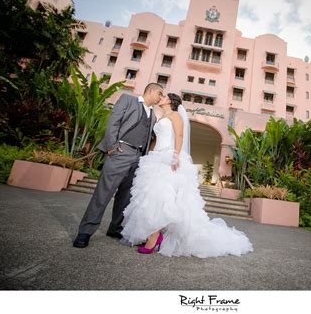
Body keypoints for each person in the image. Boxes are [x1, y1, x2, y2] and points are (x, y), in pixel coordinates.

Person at [120, 93, 253, 258]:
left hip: (169, 157)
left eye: (164, 96)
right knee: (151, 197)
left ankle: (154, 236)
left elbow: (179, 135)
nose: (160, 97)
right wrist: (149, 154)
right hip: (156, 159)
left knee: (161, 197)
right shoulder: (161, 117)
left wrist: (175, 155)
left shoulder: (175, 116)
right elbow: (155, 139)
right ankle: (153, 233)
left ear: (170, 101)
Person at [73, 83, 164, 248]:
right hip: (121, 151)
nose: (161, 97)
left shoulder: (153, 116)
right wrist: (112, 147)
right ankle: (85, 231)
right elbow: (113, 122)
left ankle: (114, 227)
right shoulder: (128, 100)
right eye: (159, 93)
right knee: (103, 193)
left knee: (126, 196)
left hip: (138, 157)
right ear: (150, 90)